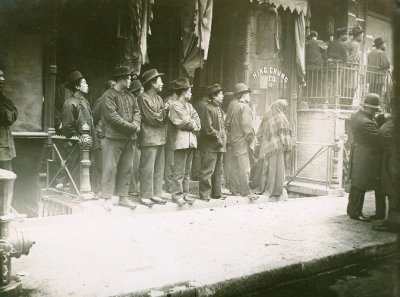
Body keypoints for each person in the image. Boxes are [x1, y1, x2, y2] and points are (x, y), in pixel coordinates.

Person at [100, 66, 141, 210]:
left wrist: (135, 124)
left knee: (126, 168)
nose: (130, 81)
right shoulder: (108, 95)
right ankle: (107, 198)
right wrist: (133, 127)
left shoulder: (130, 96)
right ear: (121, 79)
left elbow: (137, 112)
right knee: (110, 168)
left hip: (129, 138)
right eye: (128, 78)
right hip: (113, 137)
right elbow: (113, 117)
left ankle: (123, 197)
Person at [347, 93, 383, 222]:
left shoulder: (356, 115)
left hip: (358, 151)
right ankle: (356, 213)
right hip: (366, 154)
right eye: (374, 110)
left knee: (356, 183)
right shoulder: (367, 122)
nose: (375, 112)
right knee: (361, 183)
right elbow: (380, 139)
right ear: (368, 108)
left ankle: (351, 210)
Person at [137, 69, 168, 206]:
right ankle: (145, 195)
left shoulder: (159, 98)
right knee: (147, 168)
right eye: (160, 81)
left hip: (160, 137)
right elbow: (151, 118)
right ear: (153, 83)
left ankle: (156, 193)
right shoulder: (142, 98)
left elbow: (162, 117)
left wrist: (161, 113)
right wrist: (163, 111)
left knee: (159, 167)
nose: (162, 83)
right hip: (149, 137)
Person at [60, 70, 95, 191]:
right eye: (84, 83)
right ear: (76, 86)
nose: (87, 85)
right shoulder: (69, 104)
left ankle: (84, 190)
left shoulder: (85, 101)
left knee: (86, 166)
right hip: (76, 142)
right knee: (75, 166)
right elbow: (67, 127)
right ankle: (75, 192)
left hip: (87, 141)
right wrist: (78, 138)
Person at [168, 78, 201, 205]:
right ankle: (176, 194)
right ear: (183, 92)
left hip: (191, 141)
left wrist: (191, 122)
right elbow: (182, 122)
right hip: (180, 141)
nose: (191, 93)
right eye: (189, 91)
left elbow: (197, 121)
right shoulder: (174, 105)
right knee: (179, 171)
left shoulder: (189, 106)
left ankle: (185, 193)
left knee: (187, 171)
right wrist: (191, 123)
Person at [225, 83, 258, 200]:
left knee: (234, 165)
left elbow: (227, 123)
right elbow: (247, 126)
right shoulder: (245, 107)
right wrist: (251, 139)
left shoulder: (233, 105)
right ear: (244, 95)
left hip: (233, 140)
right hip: (242, 141)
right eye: (248, 93)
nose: (249, 96)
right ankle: (245, 191)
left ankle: (234, 189)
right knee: (245, 167)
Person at [255, 99, 293, 198]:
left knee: (266, 168)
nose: (284, 109)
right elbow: (284, 134)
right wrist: (287, 146)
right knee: (276, 169)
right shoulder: (281, 117)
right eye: (284, 107)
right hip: (277, 148)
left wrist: (265, 143)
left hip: (266, 147)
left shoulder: (267, 116)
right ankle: (274, 190)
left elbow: (259, 133)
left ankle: (263, 188)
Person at [198, 84, 226, 201]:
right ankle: (204, 194)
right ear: (214, 96)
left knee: (218, 170)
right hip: (210, 145)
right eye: (220, 94)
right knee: (207, 170)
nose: (223, 96)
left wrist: (223, 138)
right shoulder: (207, 108)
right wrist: (219, 137)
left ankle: (216, 193)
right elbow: (208, 129)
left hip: (219, 145)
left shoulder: (218, 108)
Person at [373, 114, 400, 232]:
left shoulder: (391, 125)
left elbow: (383, 133)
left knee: (393, 192)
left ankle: (393, 225)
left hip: (393, 161)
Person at [91, 80, 116, 195]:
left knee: (109, 164)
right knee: (99, 163)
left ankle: (106, 190)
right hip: (101, 134)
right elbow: (94, 116)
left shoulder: (115, 99)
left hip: (111, 135)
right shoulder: (102, 100)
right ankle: (96, 189)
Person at [163, 80, 179, 193]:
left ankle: (171, 183)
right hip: (170, 133)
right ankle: (168, 184)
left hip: (175, 134)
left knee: (174, 160)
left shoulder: (175, 101)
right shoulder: (169, 101)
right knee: (171, 160)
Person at [128, 79, 144, 196]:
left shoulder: (135, 100)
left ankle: (133, 187)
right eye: (141, 89)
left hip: (137, 135)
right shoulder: (135, 101)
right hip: (134, 135)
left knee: (135, 162)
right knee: (133, 161)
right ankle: (132, 188)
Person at [0, 69, 17, 171]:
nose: (2, 79)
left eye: (2, 76)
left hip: (4, 140)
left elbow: (13, 114)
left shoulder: (4, 99)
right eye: (0, 76)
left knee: (6, 174)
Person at [344, 26, 364, 104]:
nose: (362, 37)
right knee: (352, 87)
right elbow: (352, 58)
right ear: (358, 35)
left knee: (346, 88)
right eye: (361, 35)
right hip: (353, 69)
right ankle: (348, 104)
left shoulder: (348, 43)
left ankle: (346, 104)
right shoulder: (356, 44)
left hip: (347, 69)